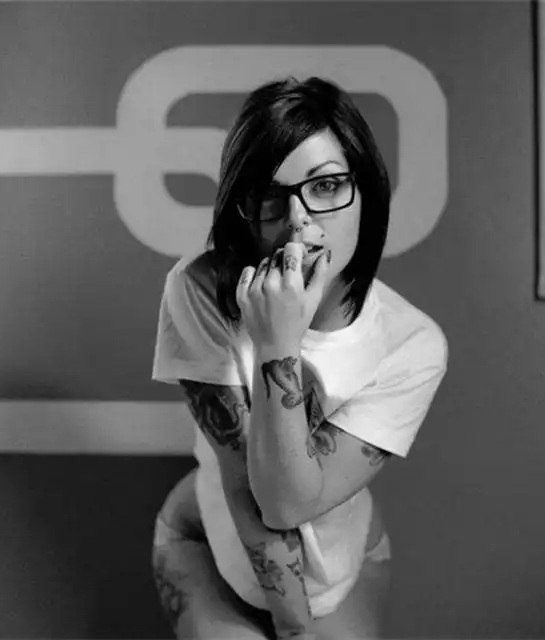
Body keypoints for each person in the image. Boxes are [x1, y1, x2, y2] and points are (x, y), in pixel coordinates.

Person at [151, 75, 448, 639]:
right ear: (243, 209)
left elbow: (289, 505)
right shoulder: (201, 290)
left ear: (367, 190)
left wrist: (279, 344)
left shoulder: (413, 344)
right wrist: (294, 630)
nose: (298, 220)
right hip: (207, 541)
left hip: (345, 560)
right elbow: (251, 493)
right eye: (269, 194)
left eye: (327, 185)